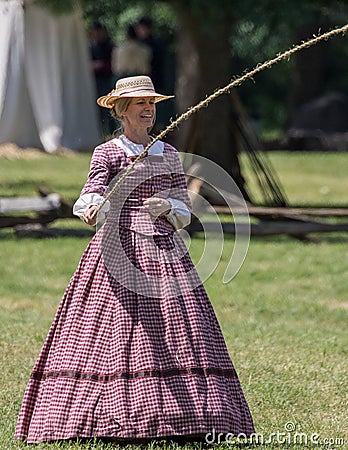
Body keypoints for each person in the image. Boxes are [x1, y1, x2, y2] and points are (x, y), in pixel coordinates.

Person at [14, 75, 254, 443]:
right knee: (113, 327)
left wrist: (167, 206)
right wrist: (93, 207)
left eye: (152, 103)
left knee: (176, 327)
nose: (148, 109)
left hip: (162, 249)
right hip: (116, 249)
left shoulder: (168, 153)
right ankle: (104, 416)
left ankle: (189, 415)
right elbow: (92, 191)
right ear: (122, 110)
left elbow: (184, 210)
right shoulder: (108, 153)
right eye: (140, 103)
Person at [89, 21, 116, 137]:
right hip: (93, 82)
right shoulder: (91, 47)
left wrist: (100, 65)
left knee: (109, 110)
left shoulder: (110, 46)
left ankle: (111, 133)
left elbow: (113, 64)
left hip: (107, 80)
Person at [135, 17, 165, 91]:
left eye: (141, 28)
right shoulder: (139, 42)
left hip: (153, 78)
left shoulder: (154, 43)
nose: (138, 31)